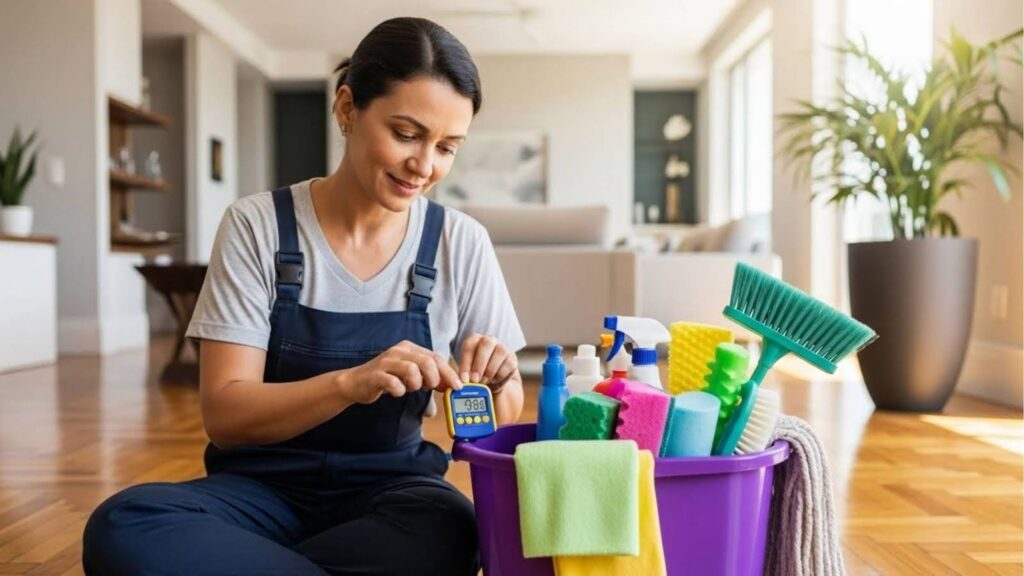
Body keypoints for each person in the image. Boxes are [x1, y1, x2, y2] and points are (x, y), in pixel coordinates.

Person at [83, 17, 526, 575]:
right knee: (125, 523)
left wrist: (502, 380)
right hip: (256, 493)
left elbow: (495, 425)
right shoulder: (257, 226)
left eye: (447, 147)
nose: (425, 165)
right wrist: (350, 383)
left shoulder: (460, 242)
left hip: (395, 495)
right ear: (346, 109)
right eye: (407, 134)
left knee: (455, 529)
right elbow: (225, 413)